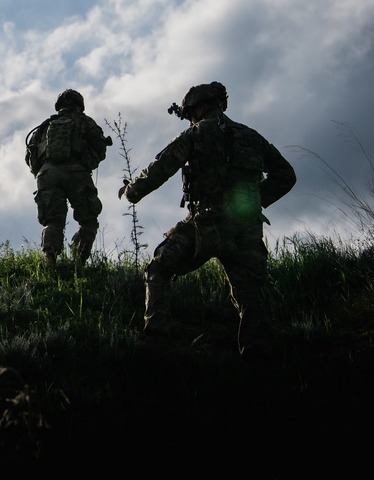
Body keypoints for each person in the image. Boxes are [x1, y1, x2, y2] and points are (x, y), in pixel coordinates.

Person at [118, 81, 296, 358]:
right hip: (247, 226)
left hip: (207, 222)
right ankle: (257, 356)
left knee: (159, 268)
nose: (189, 118)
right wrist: (251, 202)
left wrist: (132, 191)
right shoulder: (253, 137)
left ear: (200, 107)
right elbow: (286, 175)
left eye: (190, 112)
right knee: (248, 292)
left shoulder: (196, 134)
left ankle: (157, 342)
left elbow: (160, 168)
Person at [25, 89, 112, 270]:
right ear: (79, 106)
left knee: (54, 221)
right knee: (88, 220)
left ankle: (50, 259)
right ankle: (77, 262)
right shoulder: (85, 122)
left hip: (47, 175)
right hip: (76, 172)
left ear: (59, 107)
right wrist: (86, 163)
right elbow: (100, 147)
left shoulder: (43, 127)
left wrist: (41, 171)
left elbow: (30, 157)